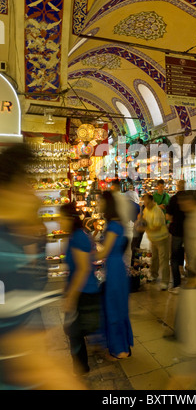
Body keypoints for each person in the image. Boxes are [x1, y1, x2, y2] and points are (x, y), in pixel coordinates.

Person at [0, 143, 86, 390]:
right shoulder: (6, 256)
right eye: (24, 183)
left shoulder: (13, 245)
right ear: (7, 190)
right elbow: (29, 360)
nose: (31, 195)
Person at [60, 202, 101, 376]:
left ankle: (81, 369)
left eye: (61, 218)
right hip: (82, 289)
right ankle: (82, 366)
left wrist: (71, 297)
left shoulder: (78, 237)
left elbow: (83, 269)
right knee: (76, 331)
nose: (59, 222)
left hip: (84, 291)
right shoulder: (77, 236)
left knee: (73, 331)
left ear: (69, 219)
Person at [95, 191, 133, 360]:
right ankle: (124, 346)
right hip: (117, 267)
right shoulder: (117, 224)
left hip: (114, 269)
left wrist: (85, 254)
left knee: (113, 308)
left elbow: (104, 252)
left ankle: (120, 350)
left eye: (100, 201)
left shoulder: (112, 226)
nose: (98, 204)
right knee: (119, 307)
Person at [141, 193, 170, 290]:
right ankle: (154, 275)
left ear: (152, 201)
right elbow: (144, 220)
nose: (145, 204)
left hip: (162, 239)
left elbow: (157, 227)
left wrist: (144, 228)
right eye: (144, 202)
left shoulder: (157, 211)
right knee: (154, 258)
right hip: (153, 239)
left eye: (147, 202)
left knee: (163, 260)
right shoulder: (146, 209)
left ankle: (165, 282)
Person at [166, 180, 186, 293]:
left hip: (177, 232)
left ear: (177, 187)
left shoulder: (173, 199)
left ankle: (177, 284)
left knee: (174, 257)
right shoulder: (190, 199)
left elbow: (168, 216)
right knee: (188, 256)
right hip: (188, 233)